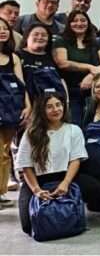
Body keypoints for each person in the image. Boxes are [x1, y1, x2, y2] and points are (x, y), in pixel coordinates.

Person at [15, 93, 100, 235]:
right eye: (49, 107)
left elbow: (75, 159)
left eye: (58, 105)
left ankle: (73, 210)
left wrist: (65, 183)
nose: (55, 109)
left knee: (94, 187)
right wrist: (36, 190)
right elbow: (26, 165)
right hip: (38, 180)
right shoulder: (30, 133)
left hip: (65, 176)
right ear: (42, 110)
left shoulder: (73, 129)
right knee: (28, 226)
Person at [53, 10, 100, 123]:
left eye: (83, 20)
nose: (79, 23)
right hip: (71, 92)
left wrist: (91, 76)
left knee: (95, 124)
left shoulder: (98, 42)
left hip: (94, 92)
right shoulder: (61, 41)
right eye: (75, 21)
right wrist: (89, 67)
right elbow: (62, 63)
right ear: (69, 24)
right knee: (75, 124)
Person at [0, 17, 31, 207]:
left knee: (5, 152)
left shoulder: (13, 57)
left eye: (5, 28)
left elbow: (21, 85)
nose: (2, 31)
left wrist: (27, 106)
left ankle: (1, 191)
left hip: (10, 109)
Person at [18, 23, 69, 99]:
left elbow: (61, 81)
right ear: (27, 37)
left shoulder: (52, 57)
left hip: (53, 103)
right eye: (36, 34)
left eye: (44, 35)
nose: (40, 37)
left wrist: (66, 101)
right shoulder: (17, 56)